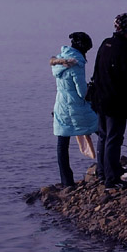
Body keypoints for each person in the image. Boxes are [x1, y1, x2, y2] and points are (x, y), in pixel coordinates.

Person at [91, 13, 127, 188]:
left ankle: (103, 172)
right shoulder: (126, 49)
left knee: (103, 136)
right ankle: (112, 179)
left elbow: (97, 72)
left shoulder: (105, 44)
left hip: (100, 99)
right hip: (115, 101)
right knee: (113, 138)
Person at [51, 32, 99, 187]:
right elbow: (82, 92)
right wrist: (94, 90)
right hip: (76, 107)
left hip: (61, 106)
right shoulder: (76, 63)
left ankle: (66, 181)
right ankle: (107, 168)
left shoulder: (60, 61)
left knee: (62, 143)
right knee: (101, 129)